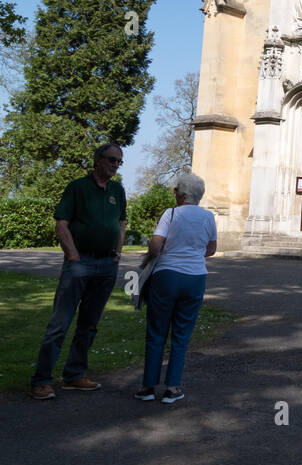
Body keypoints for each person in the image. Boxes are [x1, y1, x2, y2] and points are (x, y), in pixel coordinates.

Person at [30, 143, 127, 399]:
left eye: (119, 161)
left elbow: (121, 222)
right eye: (111, 160)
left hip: (107, 265)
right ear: (97, 160)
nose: (115, 165)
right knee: (59, 323)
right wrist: (72, 256)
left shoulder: (117, 190)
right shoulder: (77, 188)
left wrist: (118, 252)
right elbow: (61, 223)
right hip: (80, 263)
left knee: (89, 325)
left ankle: (74, 375)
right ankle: (41, 380)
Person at [135, 172, 217, 405]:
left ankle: (148, 386)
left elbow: (155, 245)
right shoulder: (208, 217)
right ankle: (172, 387)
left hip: (167, 276)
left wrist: (159, 254)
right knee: (182, 334)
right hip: (195, 278)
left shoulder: (171, 214)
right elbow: (211, 249)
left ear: (181, 195)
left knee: (157, 332)